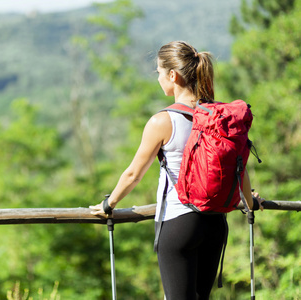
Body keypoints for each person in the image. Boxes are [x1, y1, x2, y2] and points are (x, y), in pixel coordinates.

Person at [90, 41, 264, 300]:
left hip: (178, 223)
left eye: (159, 73)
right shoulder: (220, 118)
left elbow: (133, 174)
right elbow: (240, 168)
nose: (158, 78)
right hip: (216, 222)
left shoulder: (163, 120)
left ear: (173, 75)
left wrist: (108, 203)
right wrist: (249, 203)